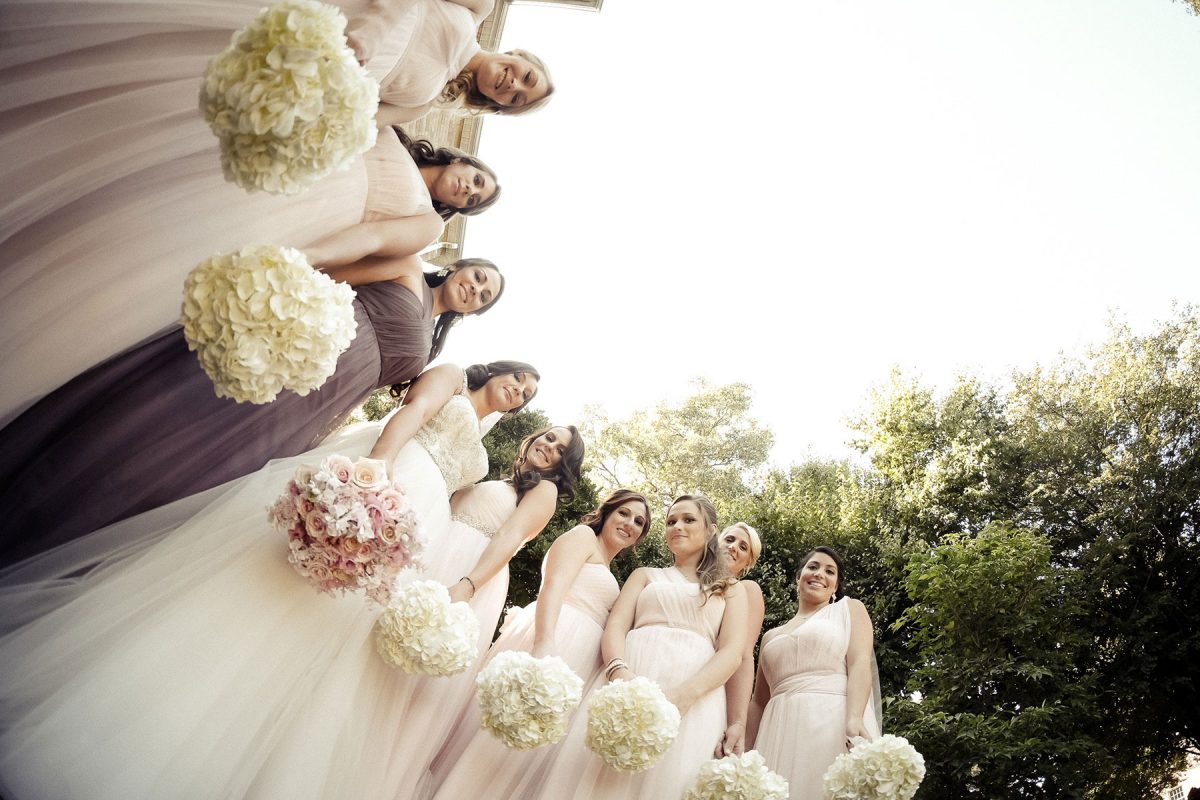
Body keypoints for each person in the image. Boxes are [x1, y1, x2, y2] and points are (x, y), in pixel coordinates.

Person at [0, 359, 560, 800]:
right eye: (519, 379)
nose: (519, 391)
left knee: (325, 621)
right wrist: (377, 468)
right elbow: (412, 412)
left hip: (418, 528)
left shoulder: (488, 453)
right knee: (270, 581)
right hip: (391, 475)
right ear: (501, 370)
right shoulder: (456, 377)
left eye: (528, 394)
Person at [0, 259, 506, 566]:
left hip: (323, 400)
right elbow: (324, 276)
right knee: (185, 417)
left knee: (219, 462)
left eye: (484, 295)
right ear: (461, 266)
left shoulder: (431, 353)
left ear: (475, 311)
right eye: (479, 277)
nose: (475, 288)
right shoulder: (407, 268)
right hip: (294, 350)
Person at [0, 126, 500, 423]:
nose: (467, 190)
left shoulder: (421, 229)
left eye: (474, 199)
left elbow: (361, 254)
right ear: (463, 159)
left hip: (304, 369)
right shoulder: (395, 136)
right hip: (285, 192)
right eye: (475, 180)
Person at [377, 423, 586, 797]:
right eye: (549, 437)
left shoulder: (545, 489)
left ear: (563, 465)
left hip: (472, 572)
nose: (549, 446)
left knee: (411, 680)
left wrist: (468, 584)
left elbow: (510, 537)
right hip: (438, 556)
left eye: (560, 449)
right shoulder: (505, 481)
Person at [428, 489, 652, 800]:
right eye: (624, 513)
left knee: (520, 748)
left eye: (639, 521)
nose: (630, 523)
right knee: (497, 733)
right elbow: (554, 585)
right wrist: (545, 645)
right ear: (608, 512)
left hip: (576, 658)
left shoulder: (609, 567)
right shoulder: (583, 537)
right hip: (553, 638)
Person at [535, 495, 749, 800]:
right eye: (671, 521)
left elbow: (732, 653)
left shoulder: (730, 588)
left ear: (711, 529)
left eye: (688, 520)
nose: (677, 526)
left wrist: (684, 696)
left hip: (694, 696)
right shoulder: (644, 575)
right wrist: (619, 671)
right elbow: (617, 626)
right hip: (630, 682)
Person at [746, 546, 882, 800]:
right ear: (798, 577)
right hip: (778, 730)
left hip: (831, 718)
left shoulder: (849, 610)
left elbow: (859, 664)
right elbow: (758, 701)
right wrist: (744, 751)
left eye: (830, 571)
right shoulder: (770, 636)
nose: (820, 573)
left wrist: (854, 718)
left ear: (835, 586)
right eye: (813, 567)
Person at [345, 0, 555, 122]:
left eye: (516, 98)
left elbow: (355, 124)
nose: (514, 85)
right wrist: (373, 32)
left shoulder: (419, 107)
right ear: (518, 54)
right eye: (528, 77)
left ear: (497, 105)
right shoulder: (481, 7)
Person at [713, 522, 766, 759]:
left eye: (743, 547)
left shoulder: (747, 590)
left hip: (713, 693)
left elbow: (743, 656)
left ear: (747, 563)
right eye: (730, 540)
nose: (734, 548)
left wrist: (737, 721)